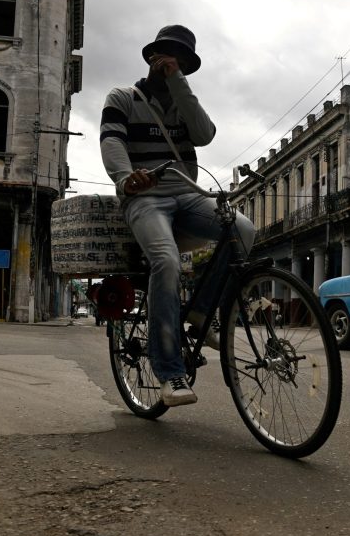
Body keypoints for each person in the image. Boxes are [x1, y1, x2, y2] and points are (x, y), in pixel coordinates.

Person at [100, 25, 255, 407]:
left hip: (187, 194)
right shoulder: (123, 97)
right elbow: (112, 142)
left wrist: (180, 85)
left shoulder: (184, 103)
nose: (171, 63)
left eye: (180, 59)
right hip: (145, 199)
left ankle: (202, 313)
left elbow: (204, 135)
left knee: (243, 230)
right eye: (166, 55)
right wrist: (126, 179)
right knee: (166, 263)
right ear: (151, 56)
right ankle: (170, 373)